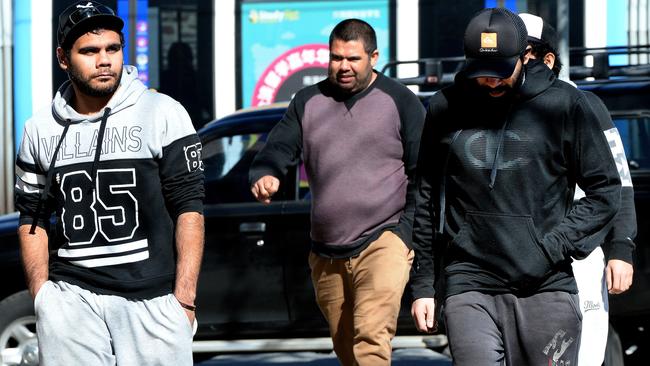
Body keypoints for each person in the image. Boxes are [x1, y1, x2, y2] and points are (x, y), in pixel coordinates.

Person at [409, 8, 622, 365]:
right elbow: (427, 197)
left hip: (545, 285)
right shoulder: (446, 107)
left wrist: (552, 246)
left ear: (523, 57)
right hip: (469, 281)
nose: (490, 82)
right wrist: (423, 286)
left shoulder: (564, 105)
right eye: (481, 73)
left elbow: (605, 191)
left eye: (500, 73)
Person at [14, 1, 205, 365]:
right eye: (89, 51)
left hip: (152, 301)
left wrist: (184, 299)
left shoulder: (162, 112)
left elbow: (189, 208)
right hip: (71, 301)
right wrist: (43, 296)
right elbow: (32, 217)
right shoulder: (39, 128)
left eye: (112, 49)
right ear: (63, 58)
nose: (104, 60)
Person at [249, 18, 425, 366]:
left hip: (384, 240)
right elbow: (279, 147)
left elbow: (425, 174)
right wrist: (266, 172)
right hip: (327, 249)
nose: (343, 66)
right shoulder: (308, 101)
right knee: (346, 347)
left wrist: (406, 233)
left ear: (373, 57)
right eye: (336, 57)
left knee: (370, 338)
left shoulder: (400, 101)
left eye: (353, 59)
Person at [520, 12, 636, 366]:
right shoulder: (491, 108)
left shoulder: (582, 105)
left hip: (580, 258)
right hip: (512, 260)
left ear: (547, 59)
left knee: (581, 355)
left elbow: (618, 182)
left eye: (519, 53)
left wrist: (620, 247)